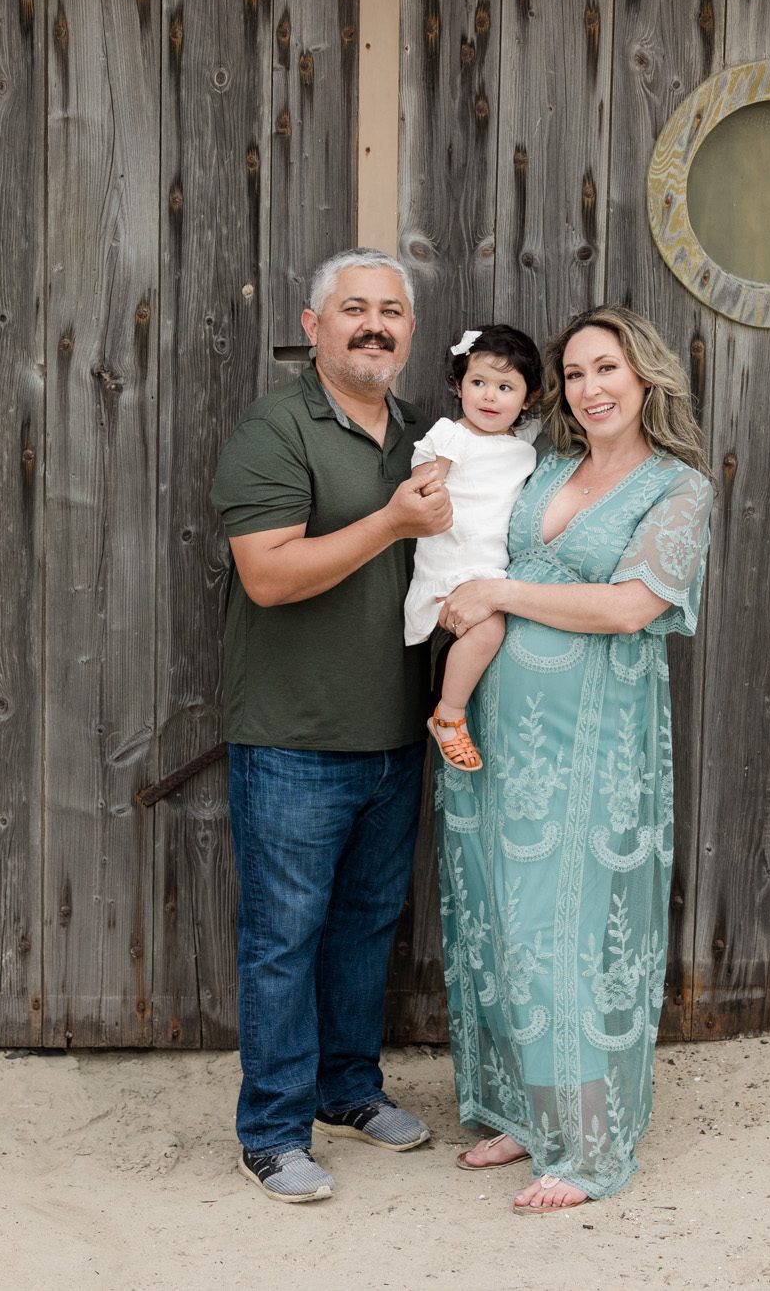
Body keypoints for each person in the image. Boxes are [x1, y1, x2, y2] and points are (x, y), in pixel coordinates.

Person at [431, 304, 716, 1212]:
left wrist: (497, 590)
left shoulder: (678, 489)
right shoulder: (546, 467)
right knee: (502, 920)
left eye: (609, 369)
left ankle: (587, 1143)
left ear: (645, 378)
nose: (591, 388)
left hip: (592, 739)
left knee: (573, 929)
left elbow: (632, 606)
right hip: (497, 733)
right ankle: (526, 1108)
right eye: (578, 373)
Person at [209, 248, 449, 1203]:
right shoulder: (276, 431)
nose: (375, 325)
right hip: (292, 740)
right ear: (313, 327)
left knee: (364, 931)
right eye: (354, 309)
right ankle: (271, 1130)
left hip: (393, 736)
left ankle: (349, 1089)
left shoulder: (426, 439)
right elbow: (268, 576)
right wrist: (390, 524)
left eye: (391, 311)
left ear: (411, 331)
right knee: (283, 939)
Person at [401, 323, 545, 773]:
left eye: (506, 387)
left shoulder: (521, 447)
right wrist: (431, 493)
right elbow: (423, 485)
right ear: (459, 385)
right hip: (454, 559)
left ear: (527, 399)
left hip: (491, 569)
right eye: (478, 382)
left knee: (500, 635)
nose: (489, 396)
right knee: (488, 631)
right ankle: (448, 714)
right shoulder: (452, 436)